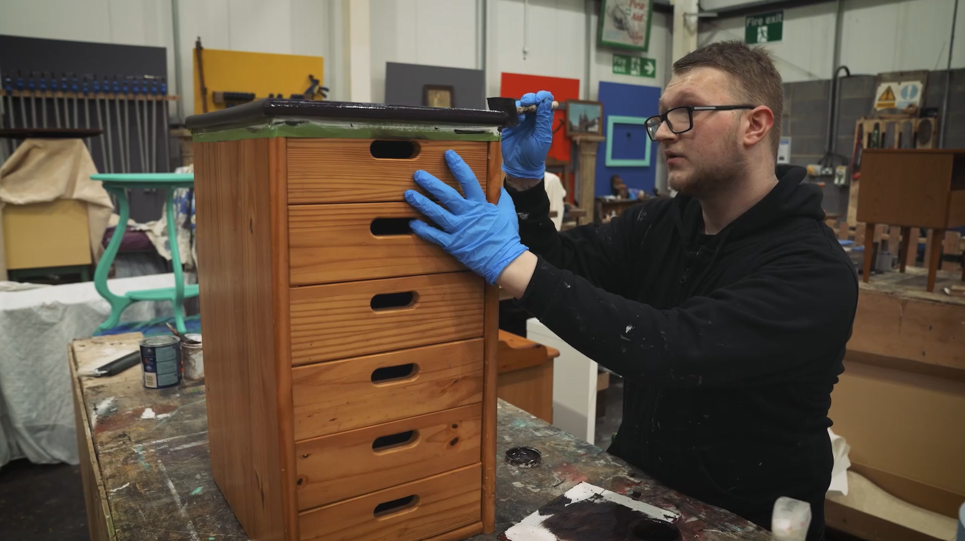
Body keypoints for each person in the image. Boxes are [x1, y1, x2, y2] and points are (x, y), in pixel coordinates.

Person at [403, 40, 857, 541]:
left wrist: (508, 261)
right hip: (640, 488)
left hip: (744, 518)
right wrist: (527, 189)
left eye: (684, 113)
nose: (662, 133)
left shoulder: (813, 270)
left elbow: (671, 348)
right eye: (661, 117)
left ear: (755, 124)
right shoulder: (663, 221)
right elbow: (566, 266)